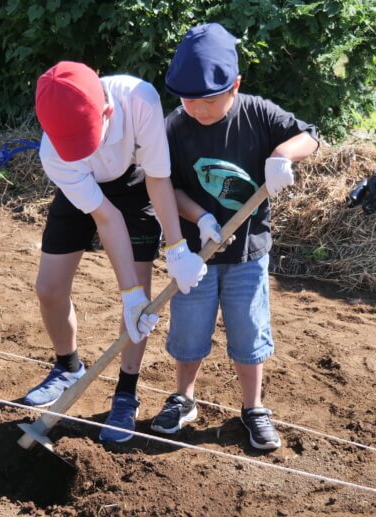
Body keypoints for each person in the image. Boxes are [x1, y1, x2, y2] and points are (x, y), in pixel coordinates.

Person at [150, 23, 319, 450]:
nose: (195, 108)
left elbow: (310, 136)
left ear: (235, 86)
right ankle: (183, 397)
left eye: (207, 100)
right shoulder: (175, 127)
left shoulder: (257, 114)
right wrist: (201, 216)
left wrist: (282, 155)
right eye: (186, 98)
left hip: (248, 253)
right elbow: (165, 184)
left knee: (247, 330)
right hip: (195, 253)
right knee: (189, 329)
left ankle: (253, 407)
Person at [25, 61, 206, 444]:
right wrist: (128, 295)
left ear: (107, 111)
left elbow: (158, 177)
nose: (77, 150)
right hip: (84, 192)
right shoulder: (55, 153)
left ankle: (126, 392)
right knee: (49, 288)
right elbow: (105, 219)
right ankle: (68, 368)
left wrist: (176, 248)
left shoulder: (139, 99)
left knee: (140, 294)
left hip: (134, 184)